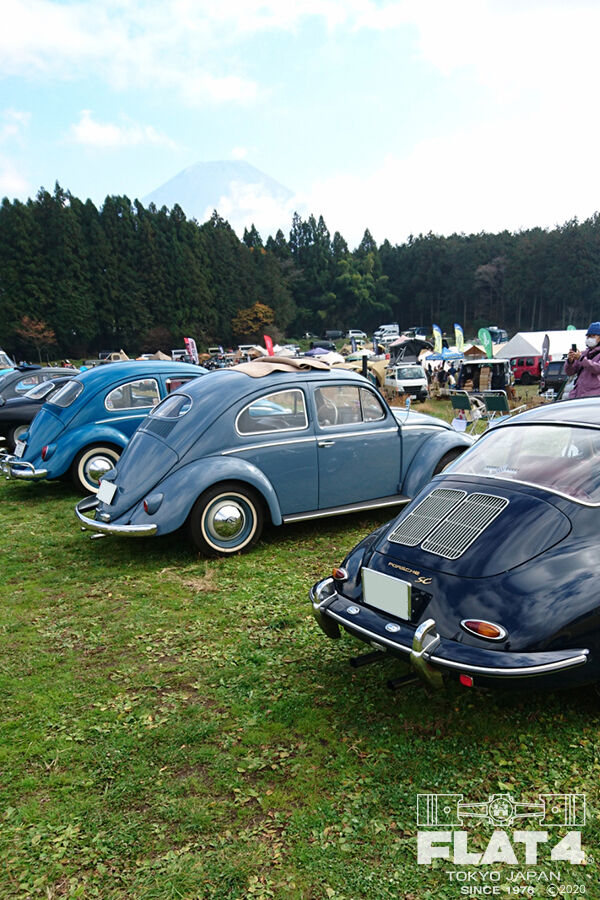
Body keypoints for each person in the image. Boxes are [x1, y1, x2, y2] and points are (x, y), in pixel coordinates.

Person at [565, 322, 600, 398]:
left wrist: (581, 359)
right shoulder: (584, 353)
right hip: (579, 395)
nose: (590, 339)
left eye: (593, 336)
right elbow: (570, 372)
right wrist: (570, 361)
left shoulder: (582, 357)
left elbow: (597, 368)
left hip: (594, 397)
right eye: (588, 336)